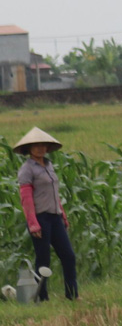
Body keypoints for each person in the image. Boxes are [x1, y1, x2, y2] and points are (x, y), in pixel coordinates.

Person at [14, 127, 78, 301]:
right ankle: (42, 297)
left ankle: (72, 295)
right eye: (36, 145)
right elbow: (26, 199)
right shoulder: (27, 169)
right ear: (29, 148)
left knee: (68, 256)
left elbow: (54, 194)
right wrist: (33, 223)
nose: (40, 148)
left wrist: (62, 214)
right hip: (40, 218)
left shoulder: (49, 165)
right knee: (43, 260)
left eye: (43, 145)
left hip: (55, 217)